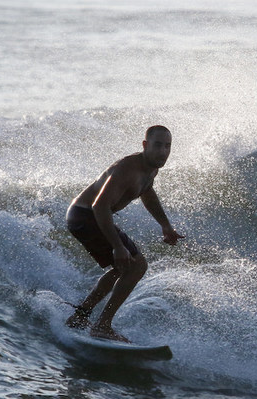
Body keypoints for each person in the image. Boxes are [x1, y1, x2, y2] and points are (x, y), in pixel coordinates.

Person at [65, 125, 184, 342]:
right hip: (85, 215)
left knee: (126, 267)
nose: (163, 151)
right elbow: (99, 206)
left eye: (168, 146)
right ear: (145, 145)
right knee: (137, 265)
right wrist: (118, 247)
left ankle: (80, 317)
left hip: (90, 216)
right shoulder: (127, 168)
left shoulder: (151, 168)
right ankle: (102, 325)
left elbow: (147, 192)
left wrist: (165, 225)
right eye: (158, 145)